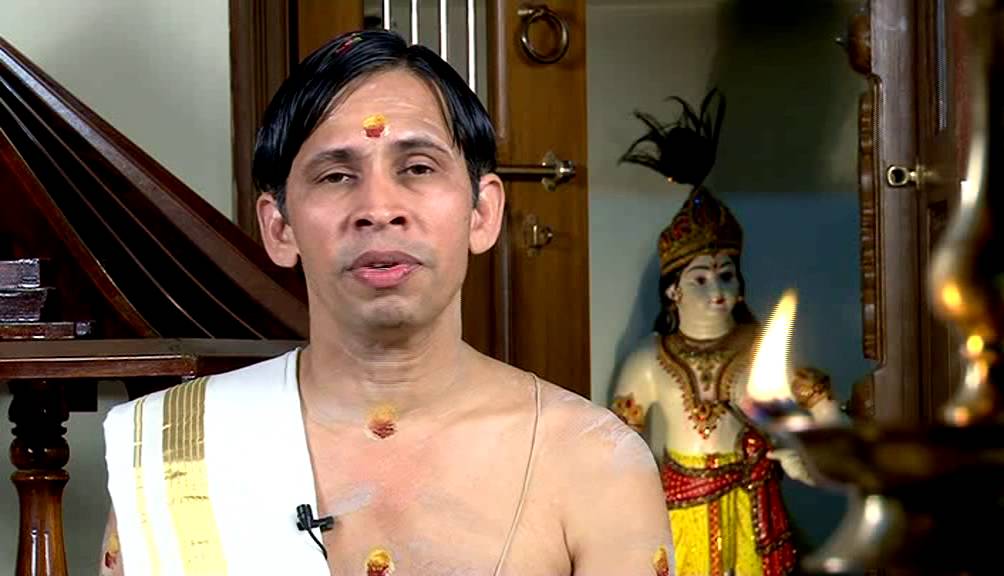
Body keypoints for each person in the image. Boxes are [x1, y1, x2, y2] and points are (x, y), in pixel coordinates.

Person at [98, 29, 673, 576]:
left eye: (417, 168)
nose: (378, 208)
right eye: (336, 176)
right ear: (279, 227)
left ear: (482, 212)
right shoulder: (173, 453)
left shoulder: (593, 463)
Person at [611, 187, 842, 576]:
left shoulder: (763, 348)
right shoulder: (648, 360)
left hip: (751, 504)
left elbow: (825, 411)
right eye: (701, 279)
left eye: (726, 276)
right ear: (673, 290)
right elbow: (621, 450)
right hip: (679, 509)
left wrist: (813, 460)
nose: (717, 291)